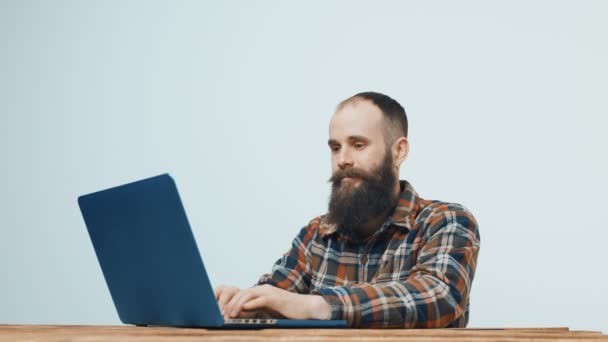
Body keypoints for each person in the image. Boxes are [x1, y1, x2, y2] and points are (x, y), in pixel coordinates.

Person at [214, 92, 480, 328]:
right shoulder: (315, 235)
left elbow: (439, 296)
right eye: (335, 147)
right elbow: (276, 298)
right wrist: (238, 304)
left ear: (399, 151)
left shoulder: (446, 222)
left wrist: (318, 305)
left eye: (358, 144)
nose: (342, 160)